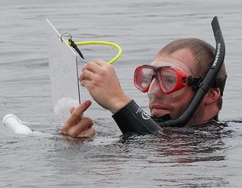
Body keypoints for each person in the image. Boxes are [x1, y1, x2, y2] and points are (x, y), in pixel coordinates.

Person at [61, 38, 227, 138]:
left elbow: (153, 142)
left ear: (210, 95)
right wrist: (81, 139)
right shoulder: (140, 129)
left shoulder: (217, 140)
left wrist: (117, 101)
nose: (152, 91)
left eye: (169, 80)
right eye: (147, 79)